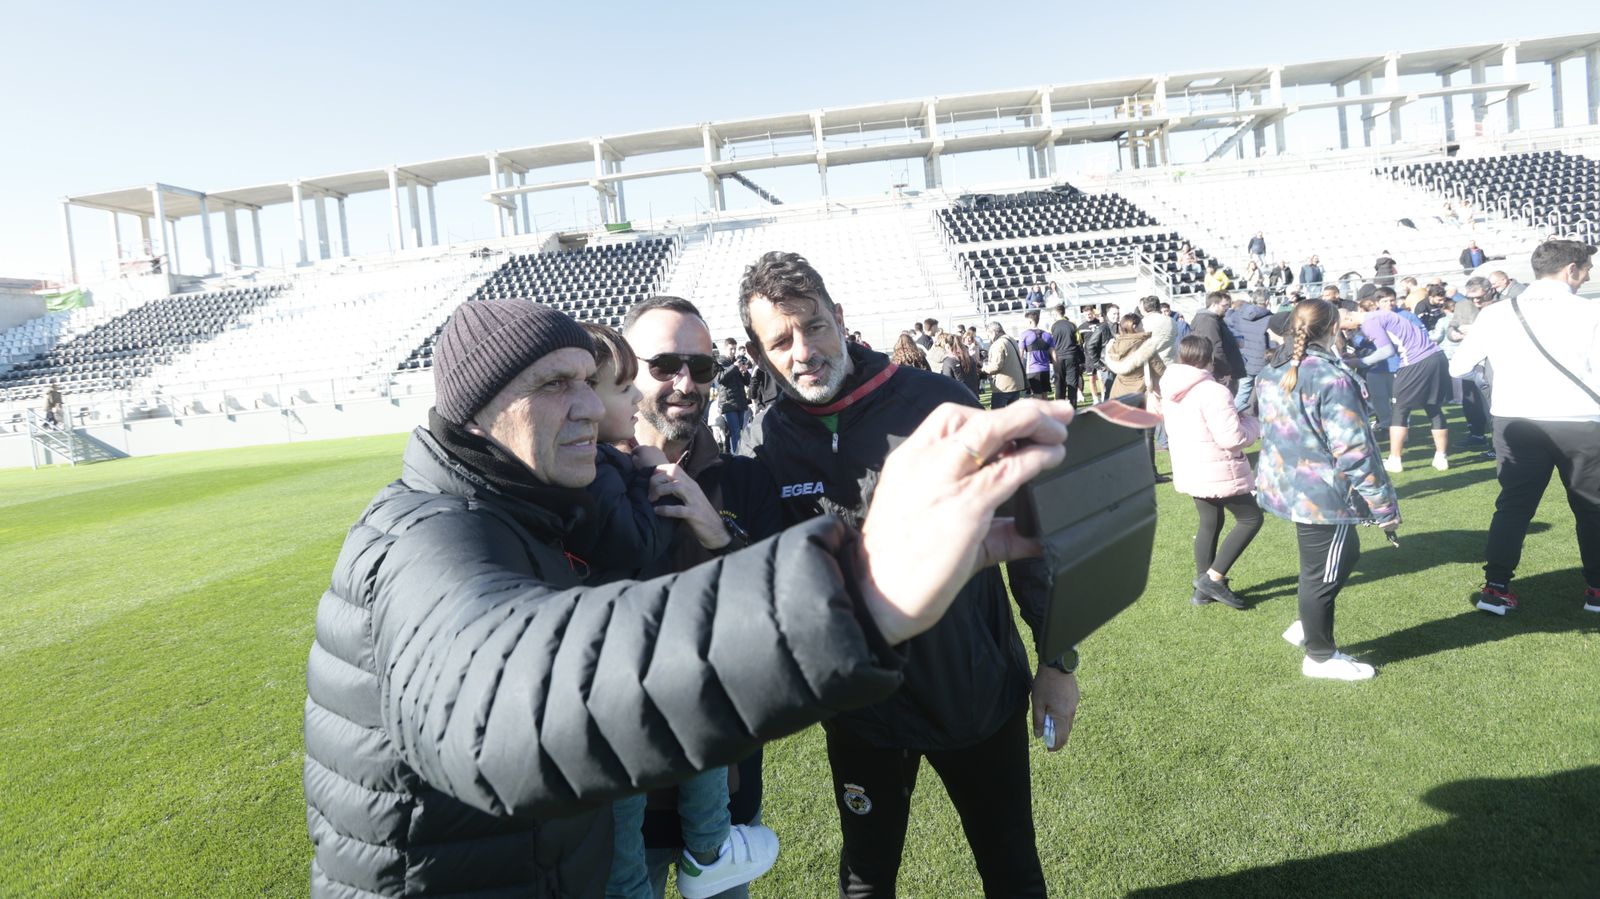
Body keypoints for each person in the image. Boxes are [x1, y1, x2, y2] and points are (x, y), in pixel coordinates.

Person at [303, 298, 1073, 898]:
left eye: (701, 366)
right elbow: (504, 703)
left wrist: (723, 536)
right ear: (477, 408)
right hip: (584, 828)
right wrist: (853, 589)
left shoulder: (568, 498)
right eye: (554, 384)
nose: (585, 404)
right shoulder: (428, 535)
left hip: (679, 806)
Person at [737, 251, 1076, 899]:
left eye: (814, 326)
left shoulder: (937, 402)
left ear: (840, 318)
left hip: (972, 695)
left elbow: (1031, 539)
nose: (803, 351)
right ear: (758, 354)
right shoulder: (766, 441)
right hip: (860, 711)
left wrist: (1057, 660)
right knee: (866, 877)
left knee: (1010, 868)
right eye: (780, 341)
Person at [576, 323, 778, 899]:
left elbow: (784, 617)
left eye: (702, 367)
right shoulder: (571, 479)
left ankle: (710, 851)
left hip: (720, 790)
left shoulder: (746, 477)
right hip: (605, 790)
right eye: (664, 365)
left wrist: (720, 536)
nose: (686, 383)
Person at [1449, 240, 1600, 616]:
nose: (1588, 275)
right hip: (1580, 421)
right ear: (1570, 269)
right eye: (1586, 268)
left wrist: (1501, 379)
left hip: (1515, 420)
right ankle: (1596, 591)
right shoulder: (1590, 311)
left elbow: (1459, 367)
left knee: (1513, 507)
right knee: (1592, 508)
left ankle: (1496, 588)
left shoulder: (1496, 314)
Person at [1255, 299, 1401, 681]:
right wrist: (1384, 508)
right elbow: (1354, 451)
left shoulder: (1273, 370)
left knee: (1343, 555)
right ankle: (1319, 655)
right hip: (1318, 492)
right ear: (1334, 328)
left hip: (1293, 485)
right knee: (1319, 574)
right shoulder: (1329, 377)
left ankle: (1309, 625)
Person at [1160, 335, 1264, 609]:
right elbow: (1231, 438)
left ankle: (1203, 589)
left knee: (1210, 521)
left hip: (1192, 465)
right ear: (1210, 359)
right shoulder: (1213, 391)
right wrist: (1253, 425)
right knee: (1251, 518)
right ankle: (1213, 579)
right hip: (1216, 466)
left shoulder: (1171, 386)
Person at [1354, 292, 1453, 472]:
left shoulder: (1371, 320)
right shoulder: (1388, 316)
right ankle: (1441, 457)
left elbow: (1387, 351)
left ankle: (1395, 460)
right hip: (1436, 356)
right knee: (1433, 407)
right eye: (1385, 300)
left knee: (1400, 408)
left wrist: (1359, 362)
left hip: (1415, 362)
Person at [1104, 312, 1167, 480]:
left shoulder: (1115, 345)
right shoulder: (1144, 345)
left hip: (1118, 393)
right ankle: (1150, 473)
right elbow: (1160, 369)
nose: (1143, 327)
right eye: (1141, 324)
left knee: (1124, 436)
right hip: (1140, 394)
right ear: (1135, 326)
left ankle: (1124, 473)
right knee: (1147, 434)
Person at [1190, 291, 1247, 394]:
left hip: (1224, 371)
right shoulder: (1208, 322)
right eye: (1224, 306)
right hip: (1221, 375)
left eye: (1228, 306)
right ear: (1214, 305)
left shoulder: (1216, 319)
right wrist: (1226, 372)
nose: (1227, 308)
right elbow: (1215, 349)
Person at [1227, 295, 1273, 412]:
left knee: (1243, 392)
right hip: (1261, 362)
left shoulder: (1237, 315)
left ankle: (1233, 415)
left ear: (1252, 300)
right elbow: (1272, 343)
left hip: (1242, 359)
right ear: (1267, 301)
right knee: (1264, 393)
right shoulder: (1270, 318)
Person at [982, 320, 1027, 408]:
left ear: (993, 332)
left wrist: (983, 369)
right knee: (1012, 412)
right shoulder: (1011, 339)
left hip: (1003, 386)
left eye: (988, 335)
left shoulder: (998, 344)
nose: (989, 338)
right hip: (1016, 384)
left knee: (998, 413)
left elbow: (995, 366)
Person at [714, 355, 752, 455]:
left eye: (734, 349)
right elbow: (719, 379)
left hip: (740, 403)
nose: (733, 351)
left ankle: (732, 453)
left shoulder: (736, 363)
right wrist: (734, 367)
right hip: (728, 404)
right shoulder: (719, 362)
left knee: (738, 431)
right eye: (731, 349)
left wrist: (744, 372)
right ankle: (737, 454)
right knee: (735, 431)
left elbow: (748, 382)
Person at [1049, 303, 1083, 405]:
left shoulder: (1053, 326)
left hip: (1058, 358)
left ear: (1056, 314)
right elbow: (1079, 341)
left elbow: (1050, 343)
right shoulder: (1072, 324)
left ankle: (1060, 408)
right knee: (1072, 384)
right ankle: (1073, 408)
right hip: (1071, 356)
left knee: (1059, 384)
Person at [1018, 309, 1055, 397]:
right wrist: (1057, 369)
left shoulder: (1024, 335)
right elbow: (1054, 355)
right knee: (1044, 394)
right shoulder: (1047, 335)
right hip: (1045, 369)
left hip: (1032, 370)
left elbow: (1021, 355)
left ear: (1030, 321)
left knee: (1037, 395)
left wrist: (1019, 370)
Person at [1081, 307, 1112, 402]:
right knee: (1091, 378)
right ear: (1083, 315)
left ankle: (1104, 396)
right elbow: (1081, 343)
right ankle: (1095, 399)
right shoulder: (1081, 327)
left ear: (1093, 313)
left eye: (1090, 314)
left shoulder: (1100, 324)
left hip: (1100, 356)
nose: (1088, 316)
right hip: (1089, 357)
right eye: (1086, 314)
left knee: (1102, 378)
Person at [939, 331, 982, 398]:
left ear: (947, 346)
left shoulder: (949, 361)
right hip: (973, 395)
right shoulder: (970, 358)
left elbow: (947, 382)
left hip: (959, 397)